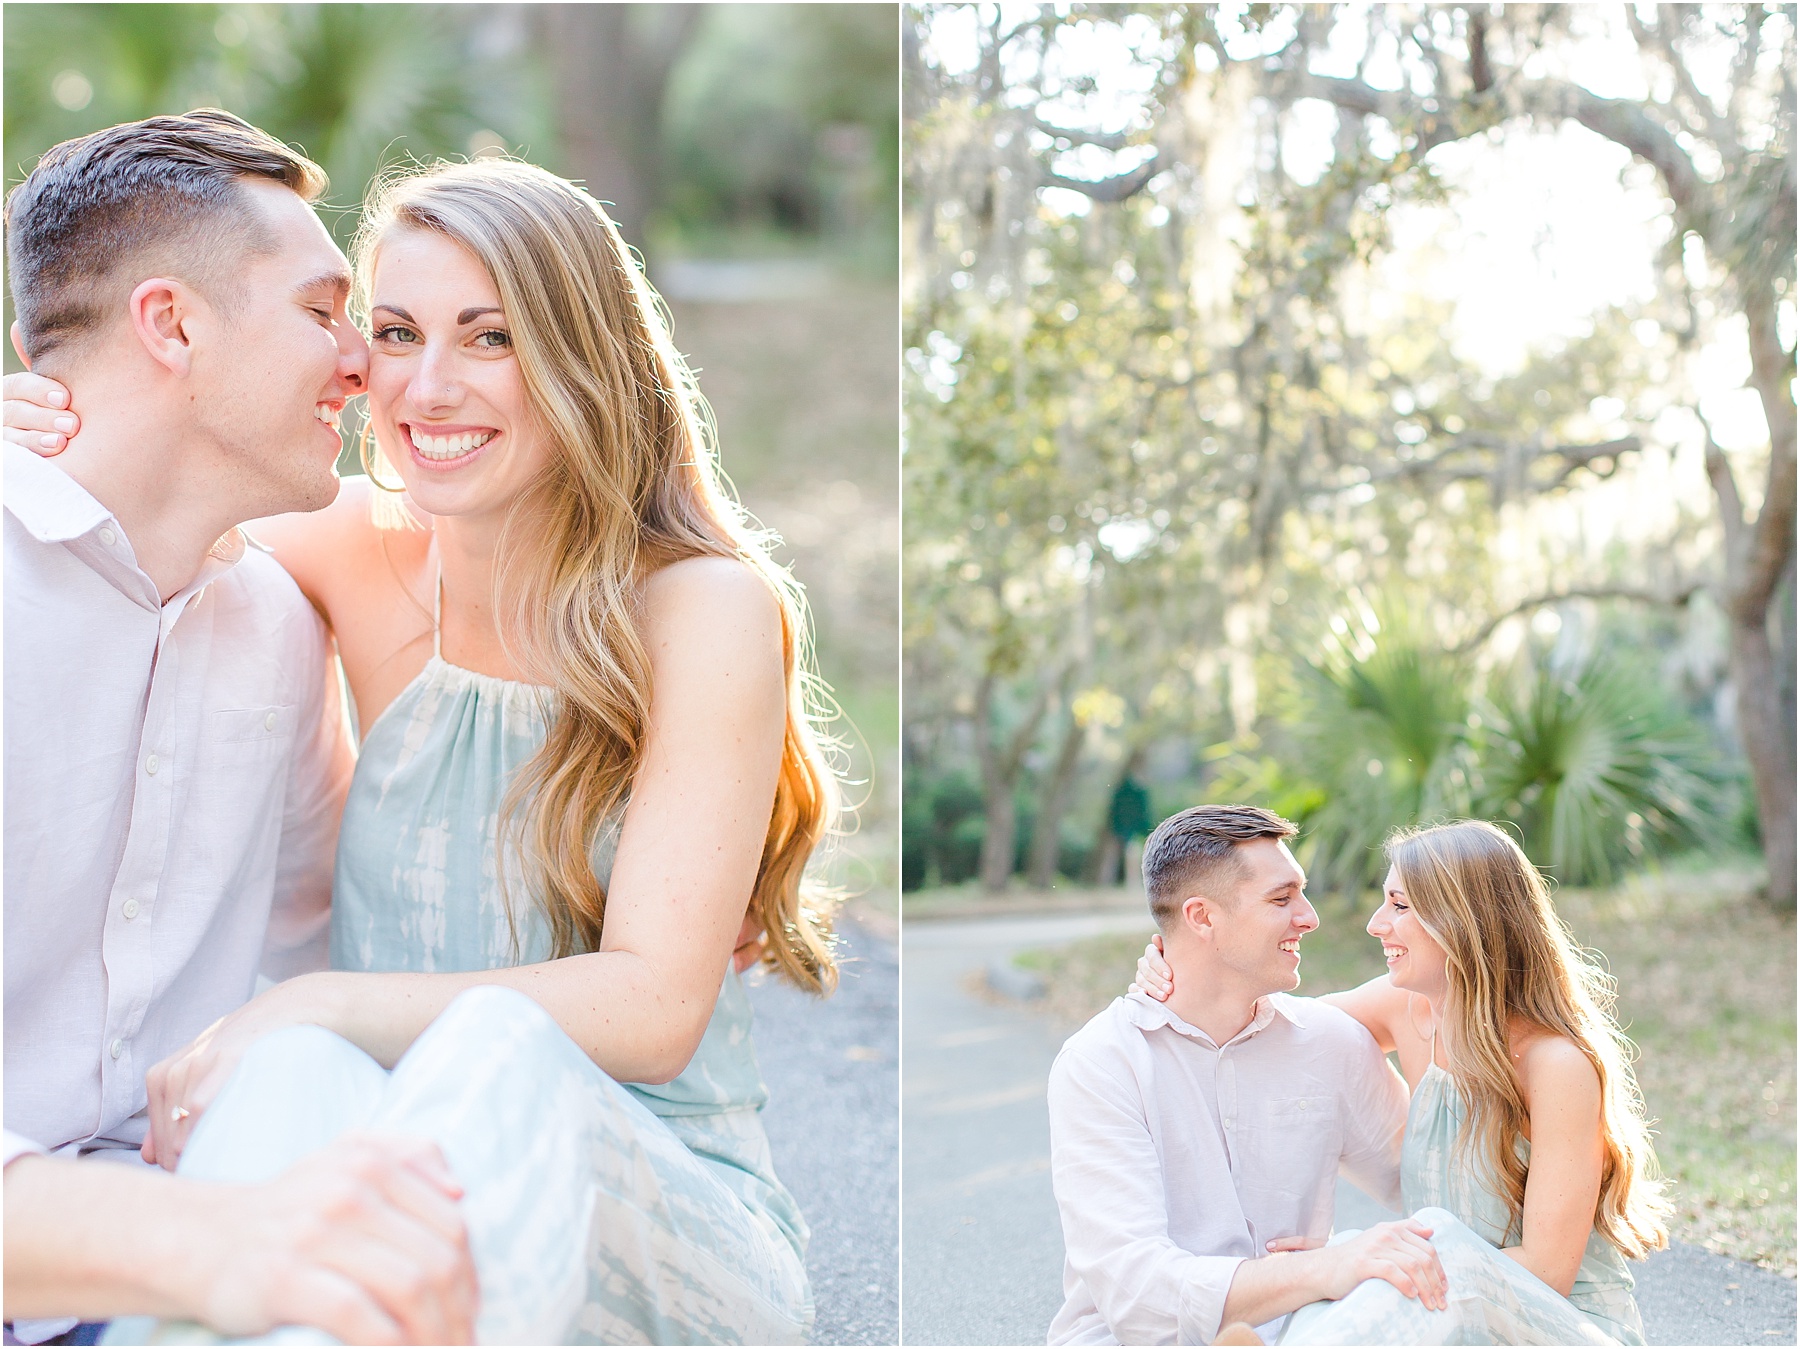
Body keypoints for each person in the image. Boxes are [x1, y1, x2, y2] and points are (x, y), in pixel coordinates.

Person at [8, 125, 842, 1343]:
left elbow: (657, 1005)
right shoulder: (333, 552)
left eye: (490, 336)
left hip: (640, 1194)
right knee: (292, 1087)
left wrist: (319, 1005)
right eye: (391, 332)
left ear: (581, 355)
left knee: (464, 1053)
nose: (412, 384)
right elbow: (136, 496)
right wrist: (37, 408)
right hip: (393, 1179)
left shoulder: (699, 609)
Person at [3, 111, 478, 1346]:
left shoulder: (276, 623)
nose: (363, 368)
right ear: (171, 323)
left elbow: (331, 955)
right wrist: (215, 1242)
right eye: (327, 311)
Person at [1135, 819, 1669, 1345]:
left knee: (1408, 1252)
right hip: (1447, 1310)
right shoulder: (1406, 1010)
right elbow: (1264, 1028)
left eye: (1400, 905)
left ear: (1465, 921)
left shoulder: (1556, 1065)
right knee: (1349, 1262)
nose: (1375, 924)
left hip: (1560, 1324)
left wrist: (1374, 1261)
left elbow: (1548, 1273)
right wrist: (1180, 957)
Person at [1047, 804, 1451, 1347]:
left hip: (1302, 1334)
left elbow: (1434, 1197)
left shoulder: (1330, 1042)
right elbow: (1139, 1298)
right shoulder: (1102, 1063)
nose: (1309, 917)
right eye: (1281, 899)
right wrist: (1323, 1267)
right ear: (1202, 918)